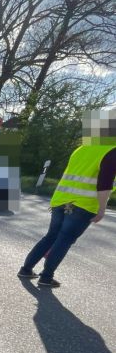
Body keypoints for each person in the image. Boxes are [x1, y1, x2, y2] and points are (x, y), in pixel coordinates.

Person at [19, 109, 116, 287]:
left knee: (51, 236)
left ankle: (26, 269)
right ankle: (46, 277)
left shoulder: (82, 148)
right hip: (83, 204)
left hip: (61, 199)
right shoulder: (111, 151)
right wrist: (102, 209)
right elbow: (104, 184)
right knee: (65, 240)